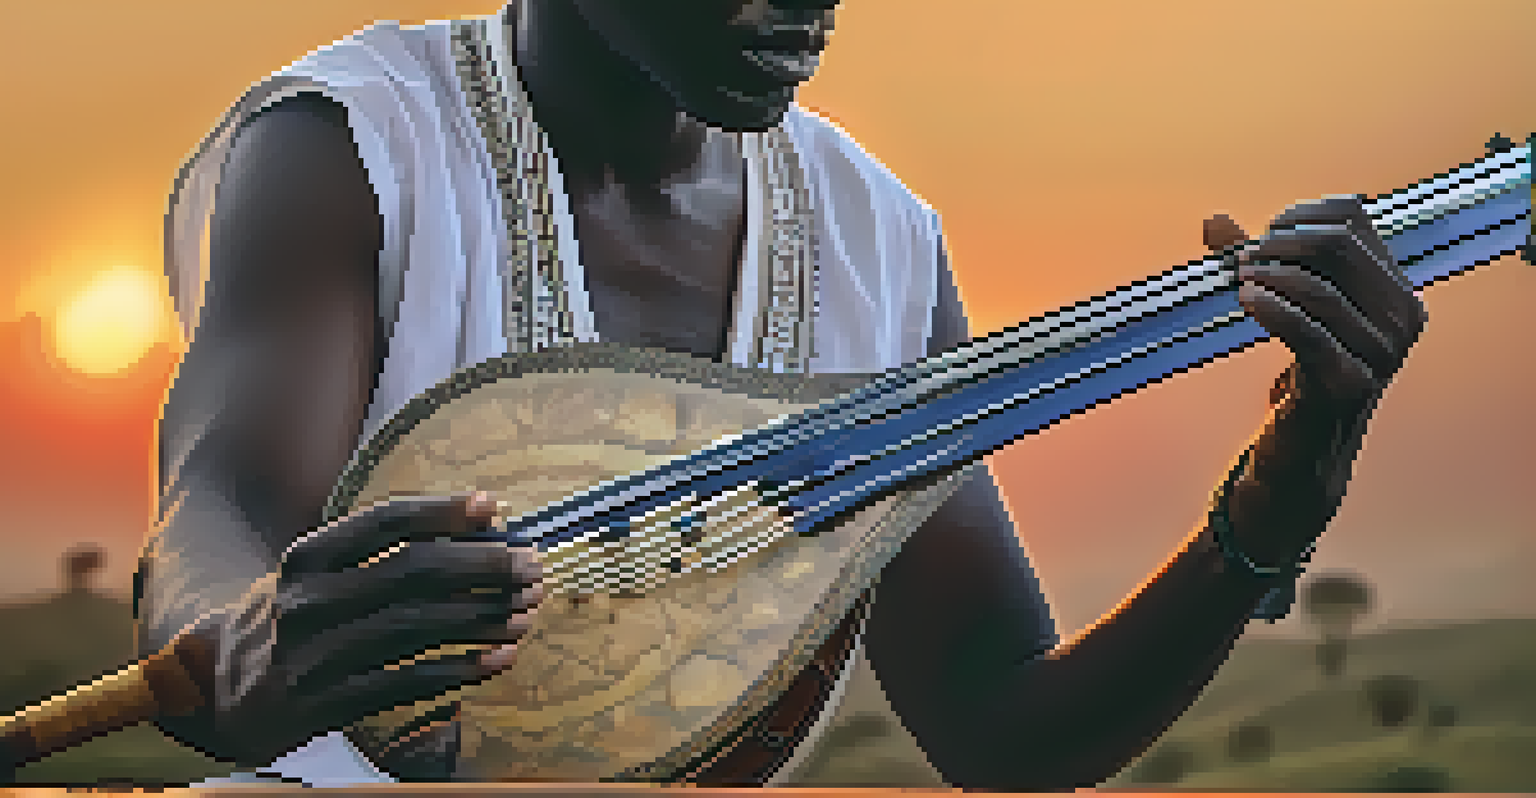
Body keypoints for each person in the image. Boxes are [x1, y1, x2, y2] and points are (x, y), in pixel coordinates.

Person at [134, 0, 1426, 790]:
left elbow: (1002, 723)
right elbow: (222, 504)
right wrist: (232, 634)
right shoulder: (355, 147)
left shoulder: (880, 245)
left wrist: (1283, 488)